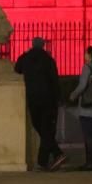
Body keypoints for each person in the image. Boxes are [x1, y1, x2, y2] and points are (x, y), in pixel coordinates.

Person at [14, 37, 66, 171]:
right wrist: (58, 98)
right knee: (47, 128)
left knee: (40, 127)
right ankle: (55, 154)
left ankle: (46, 160)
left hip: (33, 98)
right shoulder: (48, 60)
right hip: (48, 99)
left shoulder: (25, 58)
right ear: (43, 46)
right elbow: (55, 81)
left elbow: (17, 69)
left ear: (32, 45)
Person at [69, 45, 92, 171]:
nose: (84, 55)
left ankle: (89, 163)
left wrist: (73, 95)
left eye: (86, 53)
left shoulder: (86, 67)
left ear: (89, 55)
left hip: (86, 106)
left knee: (88, 135)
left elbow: (82, 85)